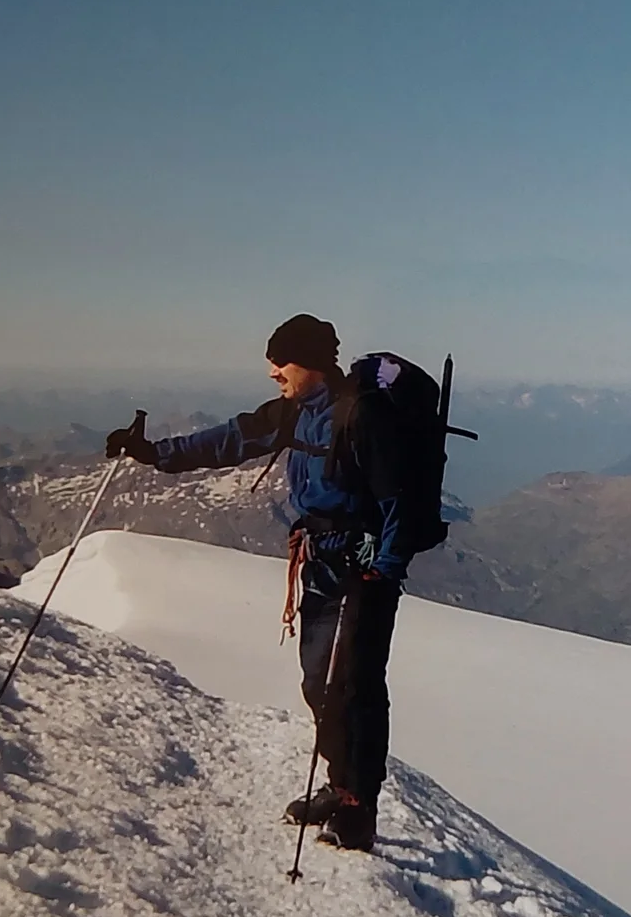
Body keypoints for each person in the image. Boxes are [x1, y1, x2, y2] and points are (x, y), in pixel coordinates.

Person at [103, 314, 412, 852]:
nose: (273, 373)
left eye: (281, 362)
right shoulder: (295, 412)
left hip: (362, 569)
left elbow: (397, 500)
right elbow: (231, 439)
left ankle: (359, 808)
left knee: (355, 686)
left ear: (311, 362)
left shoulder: (360, 416)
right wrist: (154, 453)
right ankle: (339, 785)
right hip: (320, 560)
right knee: (319, 684)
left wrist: (384, 569)